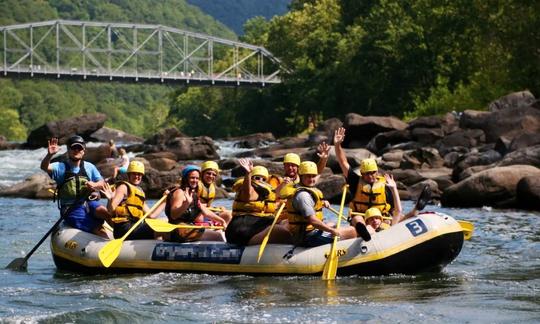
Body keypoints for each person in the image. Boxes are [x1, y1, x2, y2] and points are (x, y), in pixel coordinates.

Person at [333, 127, 401, 241]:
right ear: (362, 174)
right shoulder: (355, 181)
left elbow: (395, 210)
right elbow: (343, 162)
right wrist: (337, 145)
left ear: (377, 172)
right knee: (357, 218)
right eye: (367, 174)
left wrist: (392, 220)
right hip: (362, 218)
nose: (371, 176)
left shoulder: (385, 185)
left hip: (380, 218)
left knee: (394, 218)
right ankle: (363, 231)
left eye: (373, 173)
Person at [40, 136, 109, 238]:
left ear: (83, 151)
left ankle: (120, 235)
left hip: (88, 203)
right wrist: (49, 155)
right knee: (96, 230)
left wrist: (94, 185)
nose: (77, 150)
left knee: (105, 212)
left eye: (79, 148)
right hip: (70, 208)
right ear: (68, 150)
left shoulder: (89, 166)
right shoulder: (60, 167)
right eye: (74, 148)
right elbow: (44, 167)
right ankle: (106, 241)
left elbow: (102, 182)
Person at [285, 161, 357, 247]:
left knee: (335, 224)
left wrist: (321, 202)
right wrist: (332, 231)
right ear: (300, 176)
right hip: (308, 237)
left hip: (311, 232)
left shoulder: (306, 190)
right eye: (308, 176)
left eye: (313, 176)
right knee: (352, 232)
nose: (311, 179)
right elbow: (313, 221)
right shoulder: (303, 196)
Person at [226, 158, 292, 246]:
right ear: (252, 178)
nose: (260, 180)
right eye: (257, 177)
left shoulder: (266, 192)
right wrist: (248, 173)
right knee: (281, 232)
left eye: (263, 179)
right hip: (242, 231)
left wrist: (283, 184)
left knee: (288, 223)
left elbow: (274, 195)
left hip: (258, 228)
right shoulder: (248, 189)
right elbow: (247, 193)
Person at [164, 165, 227, 242]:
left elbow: (206, 212)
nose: (195, 180)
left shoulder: (193, 194)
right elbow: (173, 215)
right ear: (185, 178)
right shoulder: (179, 193)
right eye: (192, 178)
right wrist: (186, 204)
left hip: (188, 228)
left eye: (197, 178)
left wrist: (221, 221)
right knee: (218, 236)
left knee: (218, 232)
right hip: (177, 231)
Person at [101, 161, 156, 239]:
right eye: (134, 173)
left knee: (156, 225)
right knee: (152, 228)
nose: (137, 176)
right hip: (124, 229)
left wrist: (165, 200)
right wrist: (110, 199)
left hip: (135, 227)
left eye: (139, 174)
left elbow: (151, 216)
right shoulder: (123, 187)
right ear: (129, 175)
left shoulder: (140, 192)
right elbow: (110, 210)